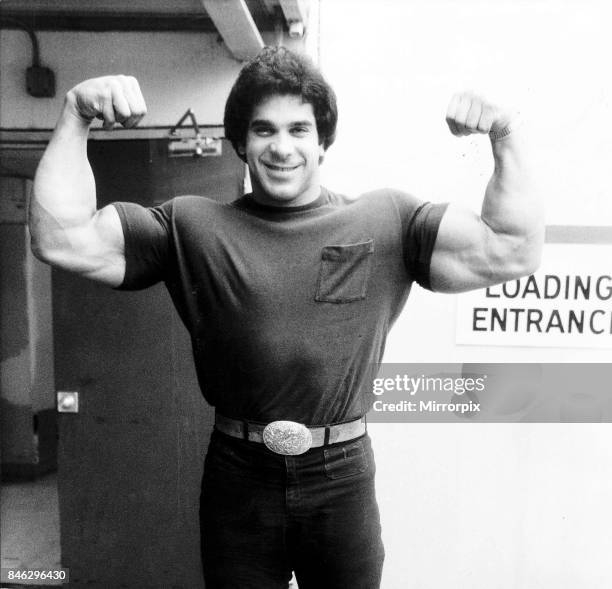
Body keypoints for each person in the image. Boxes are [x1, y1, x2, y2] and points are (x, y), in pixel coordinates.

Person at [29, 46, 544, 588]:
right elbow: (62, 238)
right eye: (263, 130)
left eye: (299, 130)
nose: (282, 148)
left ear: (323, 142)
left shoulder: (386, 219)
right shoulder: (192, 226)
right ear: (239, 145)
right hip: (239, 477)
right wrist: (75, 116)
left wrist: (505, 133)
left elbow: (511, 248)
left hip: (341, 477)